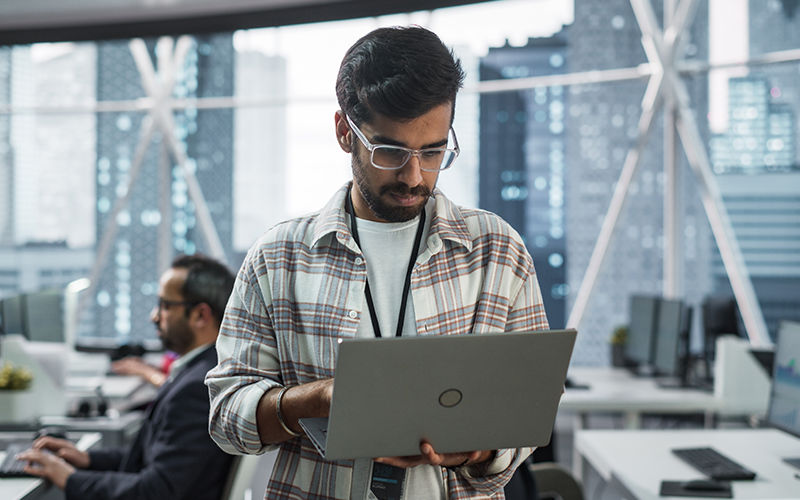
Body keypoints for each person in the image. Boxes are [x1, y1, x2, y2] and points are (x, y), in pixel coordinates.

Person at [206, 26, 550, 499]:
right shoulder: (277, 258)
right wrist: (317, 400)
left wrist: (476, 450)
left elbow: (530, 409)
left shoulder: (496, 250)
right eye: (389, 151)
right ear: (345, 131)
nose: (413, 175)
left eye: (432, 152)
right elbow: (226, 416)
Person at [18, 254, 236, 500]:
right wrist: (87, 458)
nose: (154, 316)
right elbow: (154, 457)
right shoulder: (199, 370)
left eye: (165, 305)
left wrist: (70, 479)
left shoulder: (197, 388)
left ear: (200, 315)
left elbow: (155, 491)